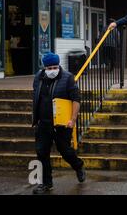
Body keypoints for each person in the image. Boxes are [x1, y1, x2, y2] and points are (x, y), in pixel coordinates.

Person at [31, 52, 85, 194]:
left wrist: (73, 119)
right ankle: (46, 183)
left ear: (59, 65)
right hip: (43, 123)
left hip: (62, 124)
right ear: (44, 68)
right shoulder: (38, 77)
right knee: (42, 153)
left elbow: (76, 99)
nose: (52, 70)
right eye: (49, 68)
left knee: (65, 151)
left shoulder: (68, 78)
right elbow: (36, 97)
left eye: (55, 67)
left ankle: (78, 165)